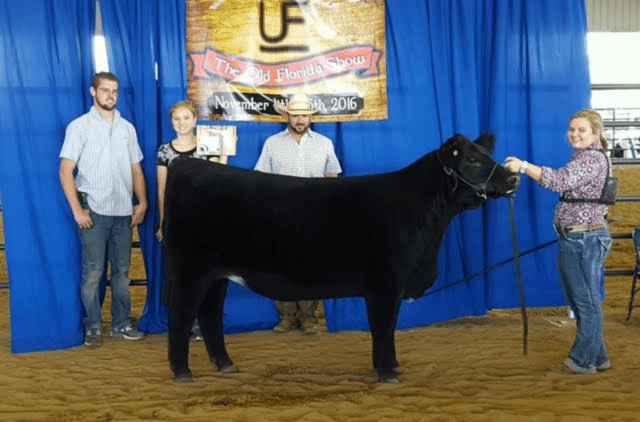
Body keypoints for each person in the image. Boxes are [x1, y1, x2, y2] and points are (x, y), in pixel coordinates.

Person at [504, 109, 613, 374]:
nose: (575, 134)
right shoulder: (588, 157)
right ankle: (598, 357)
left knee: (585, 302)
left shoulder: (591, 159)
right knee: (582, 301)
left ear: (595, 133)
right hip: (578, 237)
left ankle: (582, 361)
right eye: (572, 129)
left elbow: (558, 180)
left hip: (583, 239)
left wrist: (524, 166)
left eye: (582, 130)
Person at [59, 72, 147, 347]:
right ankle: (93, 326)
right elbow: (65, 170)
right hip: (93, 209)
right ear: (93, 92)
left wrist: (142, 202)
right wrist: (77, 210)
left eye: (114, 90)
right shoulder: (79, 126)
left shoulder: (127, 128)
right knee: (93, 272)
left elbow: (136, 168)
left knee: (122, 272)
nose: (110, 95)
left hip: (123, 211)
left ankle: (121, 324)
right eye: (105, 90)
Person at [254, 93, 342, 335]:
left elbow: (332, 179)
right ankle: (287, 317)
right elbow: (261, 180)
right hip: (280, 215)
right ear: (287, 117)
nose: (300, 120)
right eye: (295, 115)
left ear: (310, 117)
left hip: (315, 215)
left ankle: (309, 318)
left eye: (304, 115)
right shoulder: (272, 143)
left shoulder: (324, 143)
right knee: (281, 267)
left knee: (311, 268)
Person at [156, 100, 227, 340]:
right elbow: (162, 190)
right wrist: (164, 223)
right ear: (171, 122)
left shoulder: (207, 145)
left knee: (203, 273)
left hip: (204, 221)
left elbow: (218, 181)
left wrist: (223, 153)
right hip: (177, 222)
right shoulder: (165, 151)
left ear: (195, 120)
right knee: (179, 274)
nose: (182, 123)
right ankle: (181, 324)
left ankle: (199, 324)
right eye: (177, 119)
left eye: (186, 118)